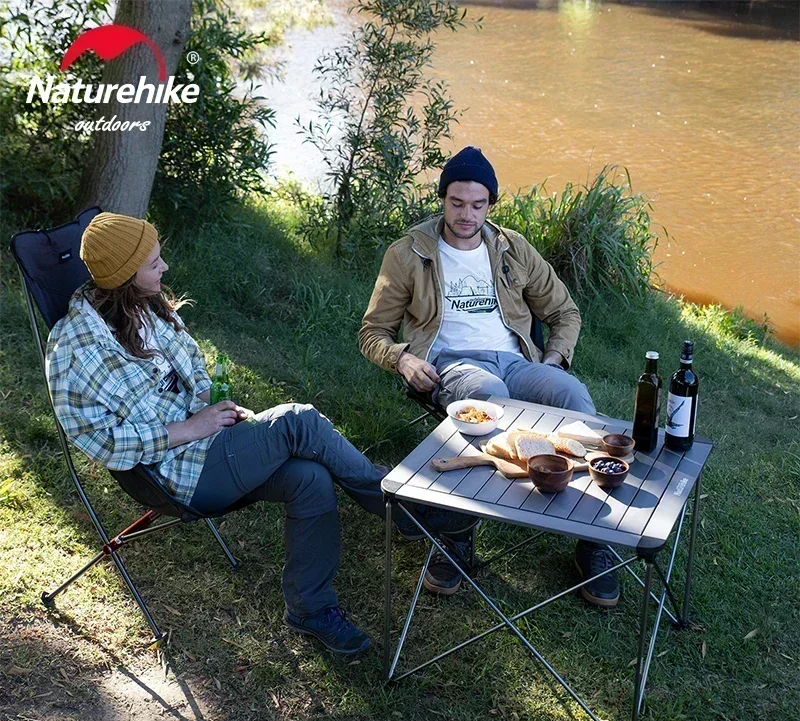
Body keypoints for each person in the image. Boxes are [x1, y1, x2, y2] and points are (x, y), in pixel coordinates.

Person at [45, 212, 470, 656]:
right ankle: (397, 507)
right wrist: (194, 426)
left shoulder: (146, 308)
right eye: (154, 263)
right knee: (297, 420)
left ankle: (309, 607)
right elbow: (108, 445)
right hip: (174, 473)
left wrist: (217, 409)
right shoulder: (76, 351)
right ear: (126, 277)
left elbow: (191, 369)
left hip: (210, 444)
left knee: (310, 478)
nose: (165, 267)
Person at [359, 147, 618, 608]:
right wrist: (401, 360)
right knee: (487, 398)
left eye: (478, 204)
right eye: (457, 202)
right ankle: (456, 539)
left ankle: (594, 541)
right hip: (453, 365)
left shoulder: (512, 248)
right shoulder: (408, 253)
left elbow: (564, 311)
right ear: (442, 199)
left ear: (491, 204)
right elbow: (372, 331)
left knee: (574, 397)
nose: (466, 214)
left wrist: (555, 358)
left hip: (518, 361)